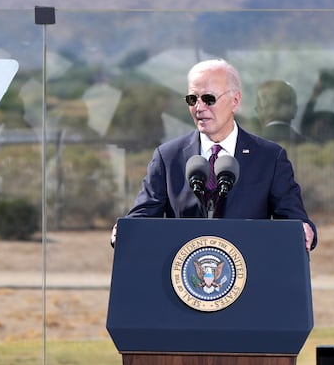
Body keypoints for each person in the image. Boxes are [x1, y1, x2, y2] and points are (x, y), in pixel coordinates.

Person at [119, 58, 316, 250]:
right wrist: (124, 230)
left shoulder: (269, 158)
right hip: (183, 276)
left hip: (249, 274)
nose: (199, 107)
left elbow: (293, 220)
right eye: (192, 99)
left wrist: (305, 230)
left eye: (208, 99)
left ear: (235, 101)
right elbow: (142, 215)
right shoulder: (168, 157)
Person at [254, 79, 303, 146]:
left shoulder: (247, 146)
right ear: (294, 110)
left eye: (257, 108)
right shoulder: (311, 146)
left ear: (263, 110)